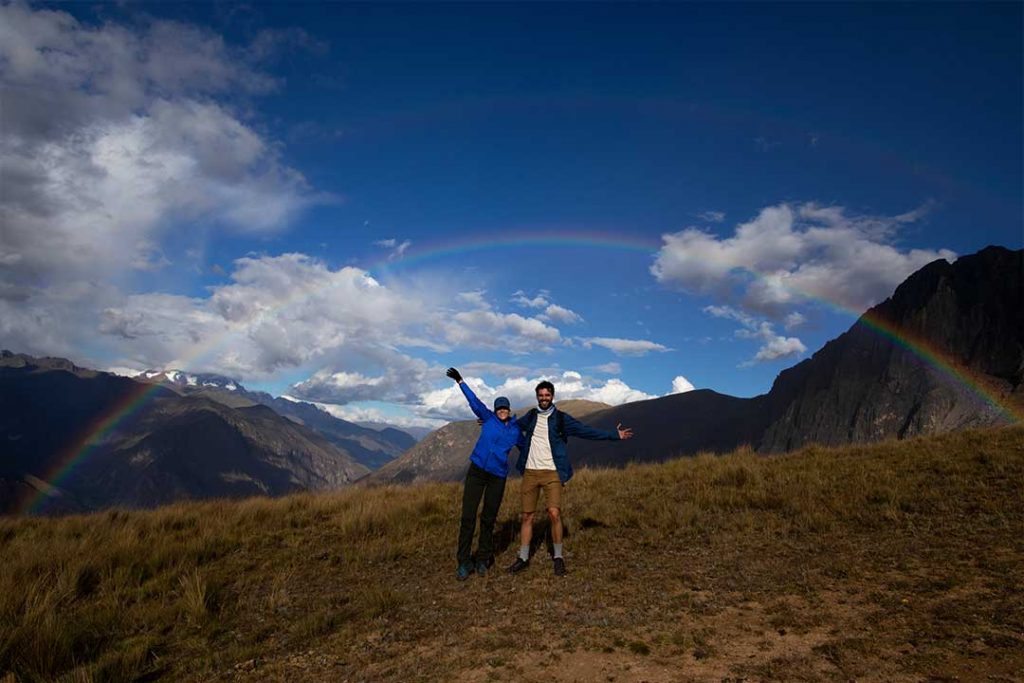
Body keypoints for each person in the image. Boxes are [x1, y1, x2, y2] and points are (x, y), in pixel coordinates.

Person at [507, 380, 634, 576]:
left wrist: (613, 435)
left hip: (552, 472)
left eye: (547, 395)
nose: (544, 398)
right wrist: (490, 421)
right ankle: (523, 558)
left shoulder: (561, 419)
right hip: (530, 471)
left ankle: (558, 557)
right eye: (540, 395)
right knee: (527, 516)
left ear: (552, 396)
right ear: (537, 397)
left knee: (554, 513)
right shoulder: (531, 416)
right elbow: (510, 426)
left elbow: (585, 431)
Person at [446, 367, 521, 581]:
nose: (503, 410)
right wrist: (460, 381)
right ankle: (463, 561)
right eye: (500, 408)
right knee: (468, 517)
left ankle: (482, 560)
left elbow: (526, 448)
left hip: (498, 477)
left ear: (509, 410)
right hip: (477, 472)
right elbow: (474, 402)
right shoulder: (487, 418)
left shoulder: (515, 430)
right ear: (496, 410)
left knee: (488, 519)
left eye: (505, 408)